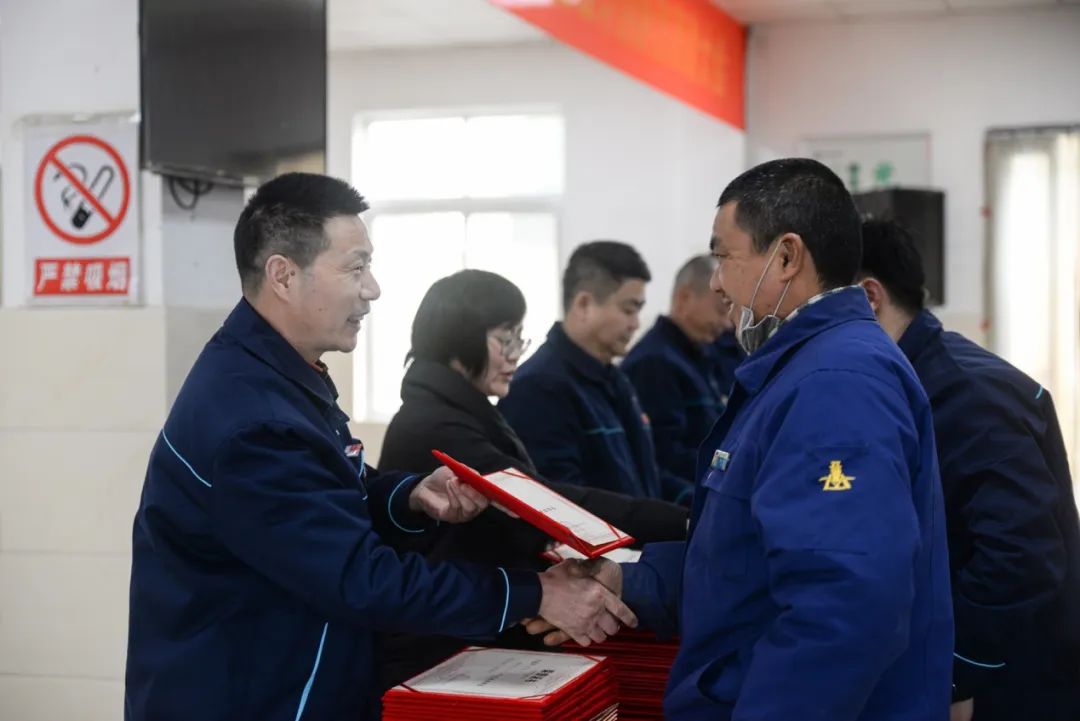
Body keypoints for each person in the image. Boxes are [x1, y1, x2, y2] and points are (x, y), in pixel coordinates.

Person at [124, 173, 636, 721]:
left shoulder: (278, 377)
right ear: (283, 275)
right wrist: (534, 594)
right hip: (250, 697)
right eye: (355, 268)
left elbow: (331, 491)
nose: (372, 289)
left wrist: (412, 497)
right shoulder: (253, 421)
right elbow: (361, 580)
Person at [530, 158, 954, 720]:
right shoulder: (803, 368)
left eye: (723, 257)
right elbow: (746, 558)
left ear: (786, 257)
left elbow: (842, 607)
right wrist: (627, 579)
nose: (715, 283)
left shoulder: (837, 382)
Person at [376, 268, 689, 690]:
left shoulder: (463, 412)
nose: (515, 355)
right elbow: (546, 501)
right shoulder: (436, 426)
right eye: (505, 339)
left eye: (519, 339)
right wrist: (683, 522)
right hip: (440, 653)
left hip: (474, 634)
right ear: (458, 339)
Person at [858, 219, 1080, 721]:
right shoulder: (913, 379)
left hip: (1012, 685)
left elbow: (1021, 554)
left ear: (869, 297)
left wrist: (957, 671)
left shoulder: (966, 394)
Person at [499, 241, 688, 502]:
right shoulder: (538, 388)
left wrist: (693, 506)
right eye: (628, 310)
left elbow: (646, 480)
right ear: (584, 305)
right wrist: (662, 519)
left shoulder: (614, 379)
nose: (635, 324)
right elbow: (564, 504)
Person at [623, 255, 734, 496]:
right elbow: (665, 458)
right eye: (721, 310)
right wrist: (733, 469)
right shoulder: (654, 363)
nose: (728, 323)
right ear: (684, 298)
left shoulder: (702, 355)